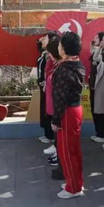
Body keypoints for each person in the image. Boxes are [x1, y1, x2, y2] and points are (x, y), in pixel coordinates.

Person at [51, 32, 86, 199]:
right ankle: (76, 182)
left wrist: (55, 119)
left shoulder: (64, 68)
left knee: (67, 151)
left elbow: (60, 97)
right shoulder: (77, 64)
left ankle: (73, 188)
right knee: (74, 149)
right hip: (75, 109)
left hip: (67, 112)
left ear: (64, 48)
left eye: (60, 44)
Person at [37, 32, 59, 148]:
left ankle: (51, 136)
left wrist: (45, 82)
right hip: (45, 86)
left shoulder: (52, 59)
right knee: (46, 110)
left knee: (50, 111)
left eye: (45, 38)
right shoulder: (44, 54)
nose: (42, 39)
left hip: (48, 87)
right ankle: (48, 134)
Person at [45, 37, 62, 171]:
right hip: (52, 102)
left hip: (58, 104)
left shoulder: (61, 67)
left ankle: (60, 155)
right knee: (57, 133)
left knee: (60, 132)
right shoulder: (56, 65)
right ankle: (58, 152)